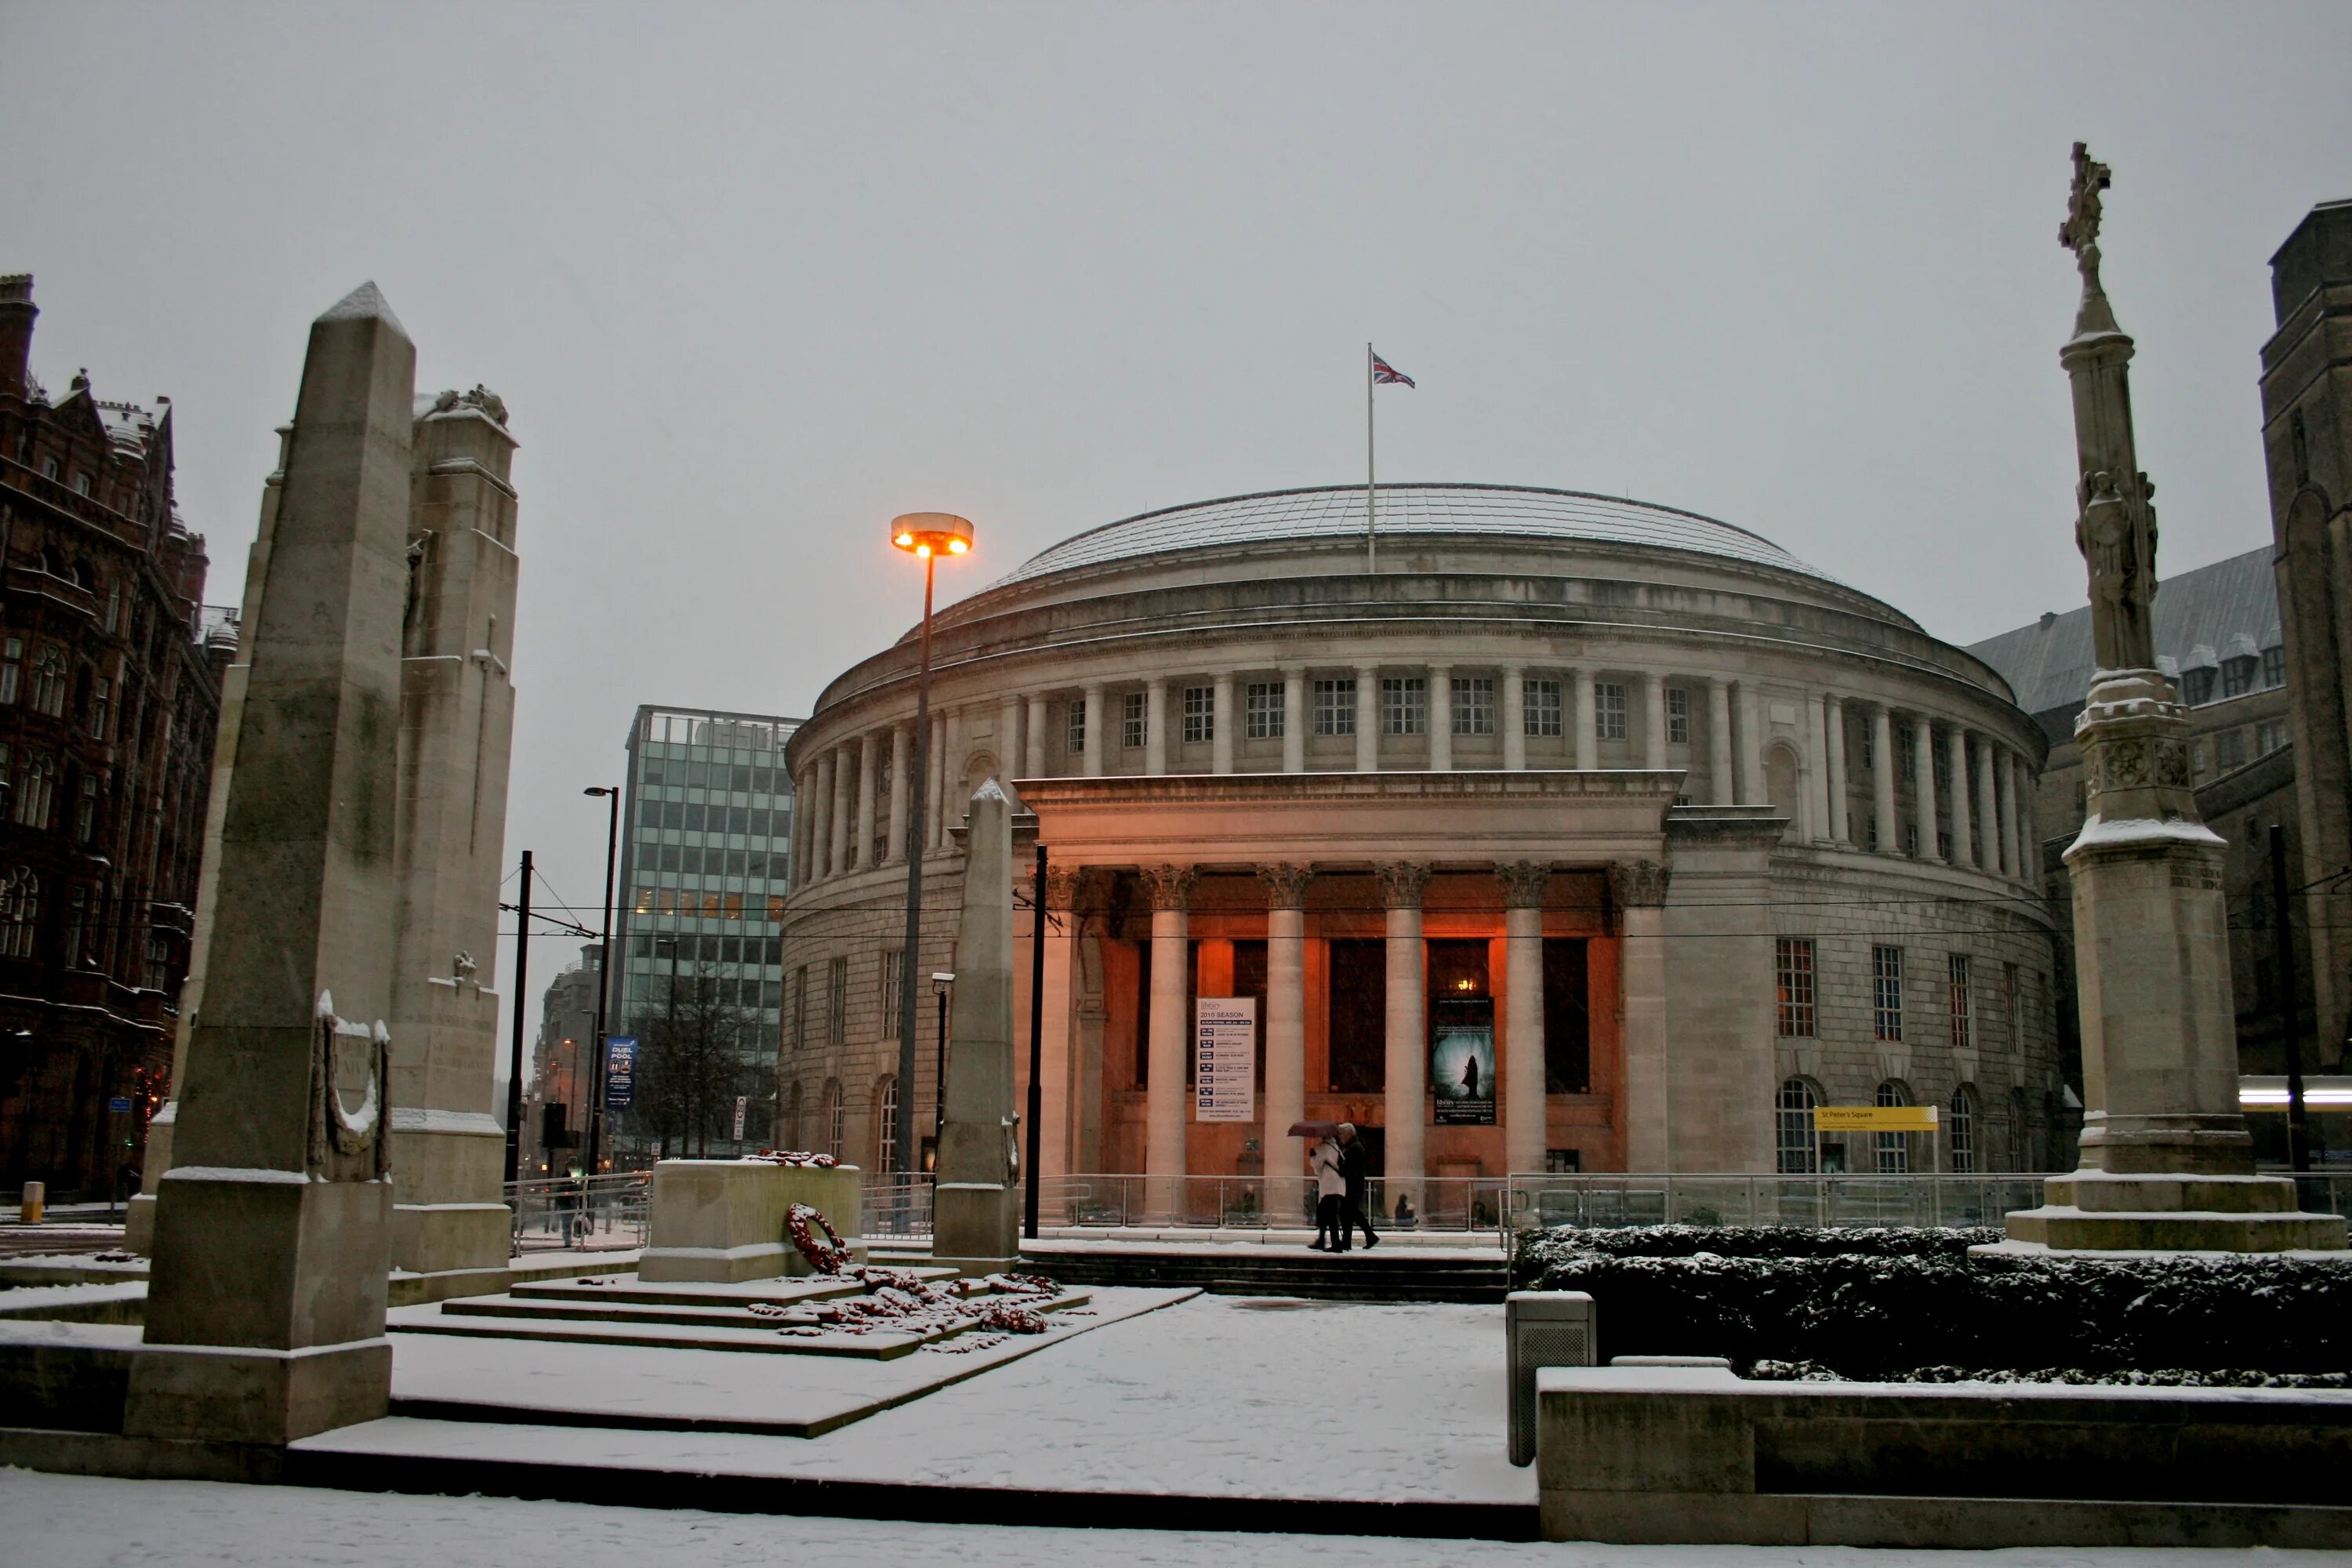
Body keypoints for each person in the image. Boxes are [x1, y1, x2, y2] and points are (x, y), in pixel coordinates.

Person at [1337, 1122, 1379, 1250]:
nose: (1340, 1137)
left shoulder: (1354, 1148)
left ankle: (1367, 1236)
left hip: (1352, 1186)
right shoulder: (1354, 1146)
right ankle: (1351, 1240)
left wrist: (1339, 1165)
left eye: (1341, 1135)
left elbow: (1348, 1168)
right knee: (1350, 1213)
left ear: (1348, 1134)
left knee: (1349, 1213)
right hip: (1354, 1185)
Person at [1309, 1131, 1346, 1251]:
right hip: (1338, 1185)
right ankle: (1322, 1240)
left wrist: (1312, 1156)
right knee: (1325, 1214)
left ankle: (1335, 1244)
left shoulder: (1322, 1148)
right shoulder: (1336, 1147)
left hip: (1329, 1186)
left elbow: (1317, 1167)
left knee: (1329, 1215)